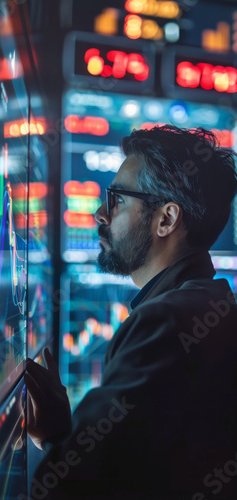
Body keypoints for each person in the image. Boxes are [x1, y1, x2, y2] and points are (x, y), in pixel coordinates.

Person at [24, 125, 237, 500]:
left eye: (117, 199)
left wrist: (58, 442)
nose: (100, 213)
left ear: (167, 219)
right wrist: (64, 435)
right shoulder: (210, 305)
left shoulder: (165, 323)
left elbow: (64, 488)